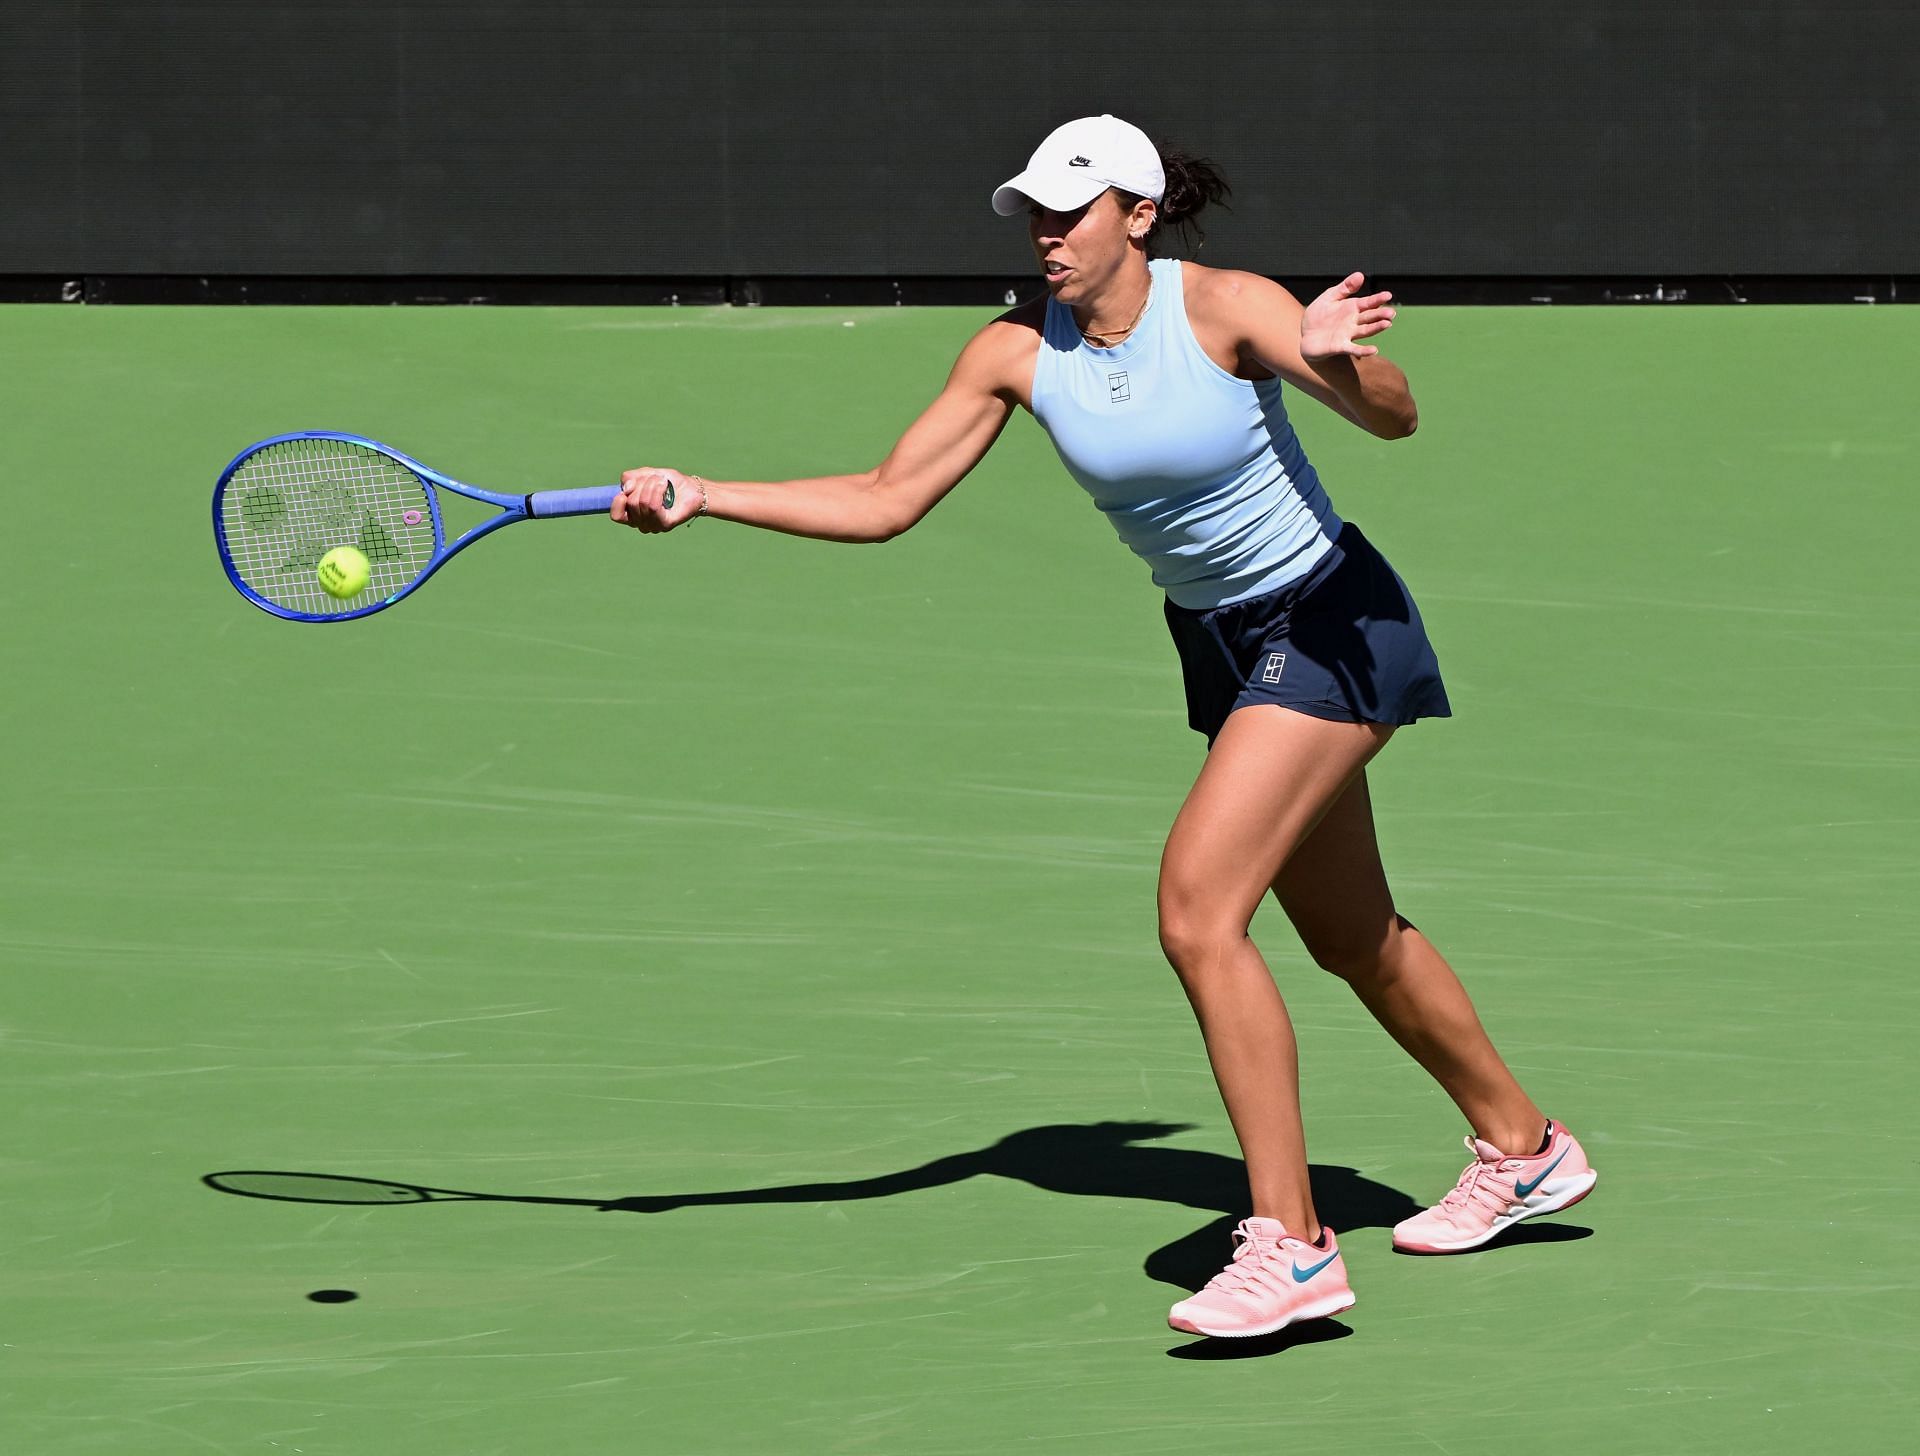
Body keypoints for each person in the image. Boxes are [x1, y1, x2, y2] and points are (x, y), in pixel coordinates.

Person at [609, 114, 1596, 1340]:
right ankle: (1524, 1146)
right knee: (1353, 933)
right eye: (1032, 212)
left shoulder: (1230, 306)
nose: (1045, 236)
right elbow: (884, 499)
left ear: (1138, 213)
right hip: (1224, 645)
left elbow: (1394, 420)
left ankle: (1291, 1244)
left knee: (1198, 907)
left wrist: (1341, 359)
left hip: (1331, 621)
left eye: (1068, 214)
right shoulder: (1016, 353)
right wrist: (708, 496)